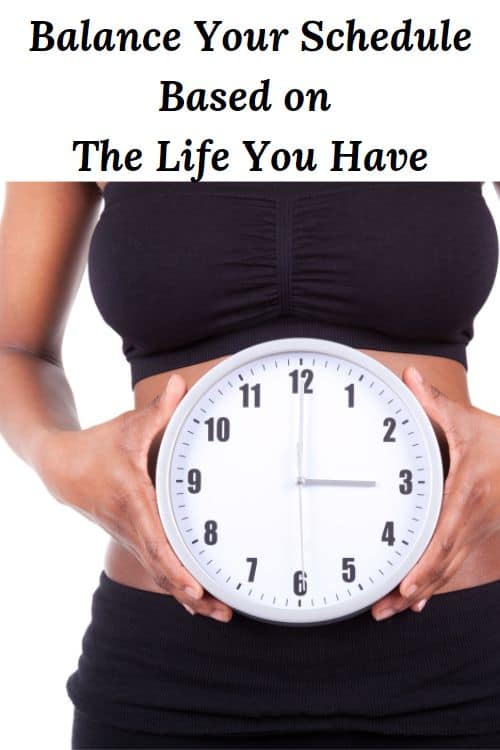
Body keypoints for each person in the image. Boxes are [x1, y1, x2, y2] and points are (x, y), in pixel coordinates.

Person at [1, 181, 500, 750]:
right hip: (167, 671)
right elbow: (16, 347)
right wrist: (54, 455)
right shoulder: (81, 96)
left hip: (459, 663)